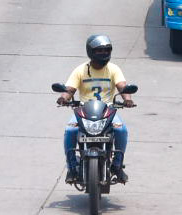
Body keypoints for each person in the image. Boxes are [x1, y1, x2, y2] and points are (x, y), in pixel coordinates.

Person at [57, 34, 133, 184]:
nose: (103, 54)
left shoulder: (113, 69)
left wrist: (128, 100)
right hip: (83, 111)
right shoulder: (80, 70)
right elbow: (70, 89)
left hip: (108, 111)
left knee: (121, 130)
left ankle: (117, 165)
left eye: (106, 50)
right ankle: (72, 167)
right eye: (99, 51)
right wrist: (64, 98)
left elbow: (122, 87)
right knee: (71, 130)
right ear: (90, 51)